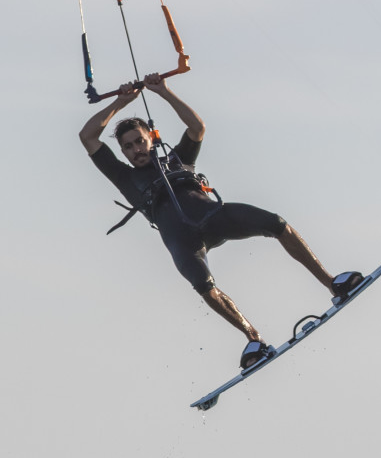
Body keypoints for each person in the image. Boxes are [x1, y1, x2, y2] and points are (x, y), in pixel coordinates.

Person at [79, 74, 364, 370]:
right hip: (182, 240)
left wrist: (164, 91)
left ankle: (333, 283)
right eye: (128, 147)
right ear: (123, 152)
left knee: (278, 224)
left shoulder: (178, 159)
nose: (136, 149)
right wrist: (120, 102)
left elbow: (197, 127)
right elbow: (87, 136)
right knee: (204, 285)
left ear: (152, 137)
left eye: (140, 141)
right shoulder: (123, 177)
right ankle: (252, 338)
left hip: (214, 217)